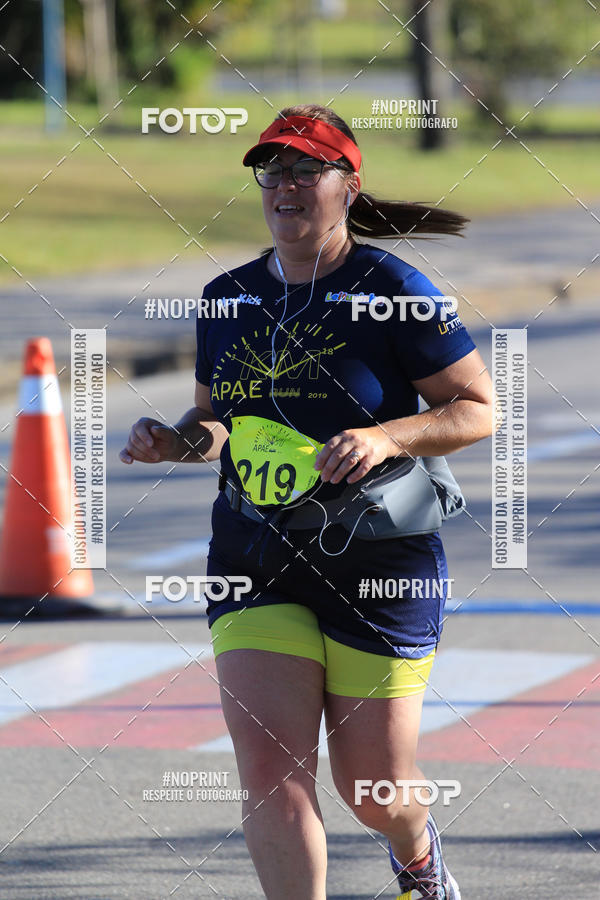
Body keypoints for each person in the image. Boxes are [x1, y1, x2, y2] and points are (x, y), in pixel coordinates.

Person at [120, 104, 493, 900]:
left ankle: (418, 853)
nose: (284, 185)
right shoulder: (228, 297)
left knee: (374, 791)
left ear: (347, 187)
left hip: (378, 561)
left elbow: (477, 408)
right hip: (254, 557)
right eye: (272, 170)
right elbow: (218, 420)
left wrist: (388, 437)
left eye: (305, 170)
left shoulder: (395, 290)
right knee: (270, 772)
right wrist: (176, 442)